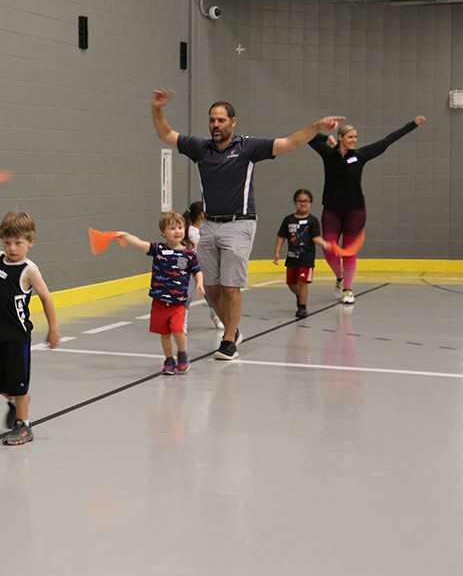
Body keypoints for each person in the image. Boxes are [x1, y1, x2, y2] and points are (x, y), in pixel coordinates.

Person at [151, 89, 344, 360]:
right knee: (213, 289)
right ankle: (234, 329)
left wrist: (316, 127)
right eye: (212, 120)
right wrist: (157, 108)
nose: (215, 125)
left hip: (239, 224)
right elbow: (166, 134)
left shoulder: (248, 147)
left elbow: (288, 143)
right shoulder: (199, 148)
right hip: (209, 226)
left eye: (220, 120)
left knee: (231, 286)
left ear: (232, 122)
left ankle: (229, 340)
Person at [0, 211, 60, 445]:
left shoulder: (29, 270)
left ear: (30, 242)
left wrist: (53, 329)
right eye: (7, 242)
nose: (12, 248)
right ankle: (18, 401)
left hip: (17, 337)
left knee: (18, 383)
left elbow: (46, 298)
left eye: (18, 243)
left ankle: (23, 425)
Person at [308, 116, 426, 305]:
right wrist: (326, 138)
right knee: (329, 249)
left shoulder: (361, 155)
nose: (354, 140)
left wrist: (412, 125)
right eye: (350, 137)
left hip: (355, 211)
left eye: (355, 137)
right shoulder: (328, 155)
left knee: (348, 252)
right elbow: (309, 136)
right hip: (331, 210)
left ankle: (347, 289)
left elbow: (388, 140)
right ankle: (339, 278)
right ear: (340, 137)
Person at [116, 212, 204, 375]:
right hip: (159, 302)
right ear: (164, 232)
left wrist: (199, 282)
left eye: (180, 227)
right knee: (164, 334)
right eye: (172, 228)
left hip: (178, 303)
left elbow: (197, 271)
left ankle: (182, 354)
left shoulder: (189, 254)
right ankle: (169, 359)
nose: (177, 231)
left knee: (178, 329)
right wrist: (126, 236)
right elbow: (140, 244)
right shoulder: (158, 249)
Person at [273, 189, 331, 319]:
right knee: (291, 283)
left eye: (306, 201)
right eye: (300, 201)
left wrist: (325, 244)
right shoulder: (288, 220)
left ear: (310, 203)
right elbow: (281, 237)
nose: (303, 204)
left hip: (306, 257)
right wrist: (277, 252)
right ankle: (300, 297)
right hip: (292, 257)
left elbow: (316, 237)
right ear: (295, 202)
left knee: (302, 282)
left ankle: (302, 307)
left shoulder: (313, 221)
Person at [182, 200, 221, 328]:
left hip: (204, 268)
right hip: (191, 269)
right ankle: (183, 321)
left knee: (210, 295)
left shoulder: (205, 230)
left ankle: (215, 315)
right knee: (187, 295)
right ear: (202, 215)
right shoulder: (190, 232)